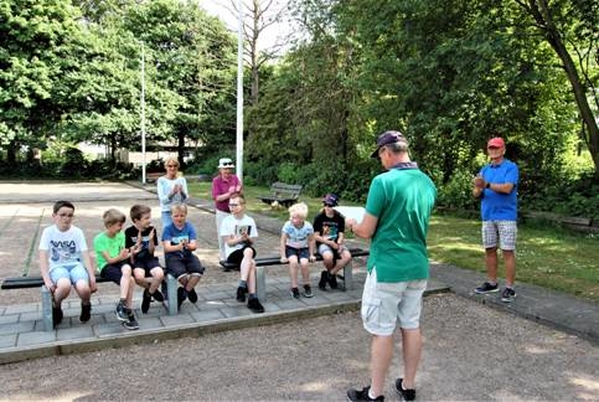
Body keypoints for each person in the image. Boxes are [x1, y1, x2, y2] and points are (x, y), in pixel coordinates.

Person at [346, 130, 436, 402]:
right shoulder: (427, 183)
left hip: (387, 267)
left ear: (387, 151)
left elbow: (366, 230)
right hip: (417, 265)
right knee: (411, 325)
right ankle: (408, 387)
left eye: (380, 156)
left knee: (382, 331)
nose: (380, 162)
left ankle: (374, 394)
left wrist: (352, 224)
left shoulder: (382, 182)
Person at [472, 136, 519, 303]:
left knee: (507, 251)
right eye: (491, 148)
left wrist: (486, 185)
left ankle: (510, 288)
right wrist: (477, 187)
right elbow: (476, 193)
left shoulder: (511, 167)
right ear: (488, 150)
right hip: (488, 216)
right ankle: (492, 283)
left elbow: (507, 188)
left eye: (497, 148)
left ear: (503, 150)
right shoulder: (485, 169)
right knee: (489, 249)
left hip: (506, 216)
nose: (494, 151)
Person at [39, 201, 97, 328]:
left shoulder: (77, 232)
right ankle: (56, 306)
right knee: (64, 286)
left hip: (75, 265)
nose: (66, 218)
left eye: (70, 215)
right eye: (63, 215)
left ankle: (86, 304)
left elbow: (85, 255)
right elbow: (42, 257)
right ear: (54, 216)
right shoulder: (48, 232)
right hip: (57, 266)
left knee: (84, 288)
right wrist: (47, 280)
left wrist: (92, 277)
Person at [94, 208, 139, 330]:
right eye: (119, 225)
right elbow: (110, 260)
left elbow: (123, 255)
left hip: (119, 262)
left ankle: (122, 304)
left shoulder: (121, 235)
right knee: (131, 281)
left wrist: (133, 252)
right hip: (106, 266)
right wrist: (122, 256)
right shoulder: (99, 239)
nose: (121, 228)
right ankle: (128, 311)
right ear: (109, 225)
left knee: (127, 269)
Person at [219, 194, 265, 313]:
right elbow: (229, 243)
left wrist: (247, 238)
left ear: (243, 206)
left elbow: (252, 241)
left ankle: (243, 287)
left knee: (249, 253)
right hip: (233, 253)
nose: (231, 207)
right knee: (251, 261)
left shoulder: (249, 220)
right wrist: (240, 239)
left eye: (235, 204)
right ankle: (251, 297)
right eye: (230, 204)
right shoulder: (226, 221)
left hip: (246, 252)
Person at [162, 203, 204, 310]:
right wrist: (178, 247)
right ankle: (190, 288)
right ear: (171, 216)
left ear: (185, 215)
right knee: (182, 275)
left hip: (187, 255)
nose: (179, 218)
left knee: (198, 271)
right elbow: (166, 248)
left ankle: (184, 293)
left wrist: (187, 245)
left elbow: (194, 246)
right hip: (173, 257)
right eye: (176, 216)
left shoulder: (189, 227)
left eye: (181, 215)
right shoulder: (168, 229)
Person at [125, 204, 165, 314]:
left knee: (160, 274)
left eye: (149, 217)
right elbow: (129, 253)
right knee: (139, 277)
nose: (149, 220)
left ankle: (148, 295)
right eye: (146, 218)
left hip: (149, 259)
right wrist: (136, 246)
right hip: (137, 260)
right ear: (136, 220)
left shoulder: (152, 230)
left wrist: (151, 240)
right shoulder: (129, 232)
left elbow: (151, 251)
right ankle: (153, 289)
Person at [313, 193, 352, 291]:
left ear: (335, 207)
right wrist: (330, 243)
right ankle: (332, 276)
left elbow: (341, 234)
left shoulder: (339, 218)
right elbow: (316, 236)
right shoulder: (319, 217)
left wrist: (339, 243)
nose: (327, 207)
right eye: (325, 204)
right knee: (328, 257)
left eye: (330, 205)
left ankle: (329, 275)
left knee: (347, 256)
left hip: (336, 242)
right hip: (323, 243)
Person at [280, 202, 316, 299]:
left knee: (304, 263)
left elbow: (311, 240)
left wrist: (312, 254)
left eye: (294, 218)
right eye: (291, 217)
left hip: (303, 248)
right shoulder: (288, 225)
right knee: (294, 262)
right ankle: (294, 287)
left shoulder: (308, 226)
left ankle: (306, 285)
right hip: (290, 248)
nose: (291, 219)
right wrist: (283, 256)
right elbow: (283, 240)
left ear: (301, 219)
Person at [211, 157, 242, 261]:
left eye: (229, 168)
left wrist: (238, 191)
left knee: (235, 234)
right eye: (225, 169)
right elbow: (217, 198)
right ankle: (223, 257)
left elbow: (240, 193)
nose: (227, 171)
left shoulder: (235, 178)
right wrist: (229, 193)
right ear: (220, 170)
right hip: (222, 211)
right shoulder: (216, 181)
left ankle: (235, 256)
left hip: (235, 211)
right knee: (223, 234)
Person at [157, 156, 188, 229]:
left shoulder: (182, 180)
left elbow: (185, 199)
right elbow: (162, 200)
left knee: (179, 233)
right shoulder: (161, 180)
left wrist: (182, 192)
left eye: (175, 166)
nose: (172, 168)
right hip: (167, 211)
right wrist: (172, 193)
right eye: (170, 166)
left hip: (179, 212)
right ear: (166, 167)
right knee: (168, 233)